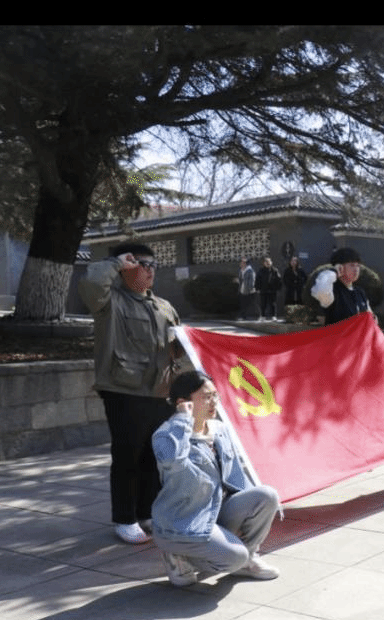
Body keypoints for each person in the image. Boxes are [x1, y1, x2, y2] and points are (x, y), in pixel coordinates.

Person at [77, 242, 182, 544]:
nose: (149, 271)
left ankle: (147, 513)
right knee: (128, 456)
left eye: (153, 265)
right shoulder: (109, 302)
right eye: (141, 265)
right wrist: (115, 263)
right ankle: (125, 519)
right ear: (126, 268)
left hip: (160, 390)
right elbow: (91, 284)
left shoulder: (164, 306)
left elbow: (177, 350)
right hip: (124, 389)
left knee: (154, 456)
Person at [152, 371, 281, 586]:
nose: (213, 402)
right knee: (235, 557)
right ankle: (179, 555)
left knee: (267, 496)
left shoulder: (219, 429)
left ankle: (247, 558)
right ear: (183, 403)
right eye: (206, 397)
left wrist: (245, 516)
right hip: (184, 519)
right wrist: (183, 419)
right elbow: (174, 462)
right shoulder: (166, 436)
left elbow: (238, 474)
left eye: (215, 395)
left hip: (215, 508)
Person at [310, 247, 372, 326]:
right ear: (340, 267)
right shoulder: (333, 290)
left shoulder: (360, 292)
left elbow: (370, 318)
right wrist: (334, 272)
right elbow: (321, 291)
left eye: (358, 266)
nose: (356, 270)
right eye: (352, 265)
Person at [255, 256, 282, 321]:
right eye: (266, 262)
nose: (267, 263)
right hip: (263, 290)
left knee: (273, 304)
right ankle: (262, 316)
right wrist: (257, 288)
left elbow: (279, 280)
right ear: (263, 263)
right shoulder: (261, 271)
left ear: (271, 262)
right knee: (263, 304)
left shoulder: (275, 270)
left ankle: (273, 316)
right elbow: (257, 280)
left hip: (272, 290)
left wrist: (277, 288)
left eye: (268, 261)